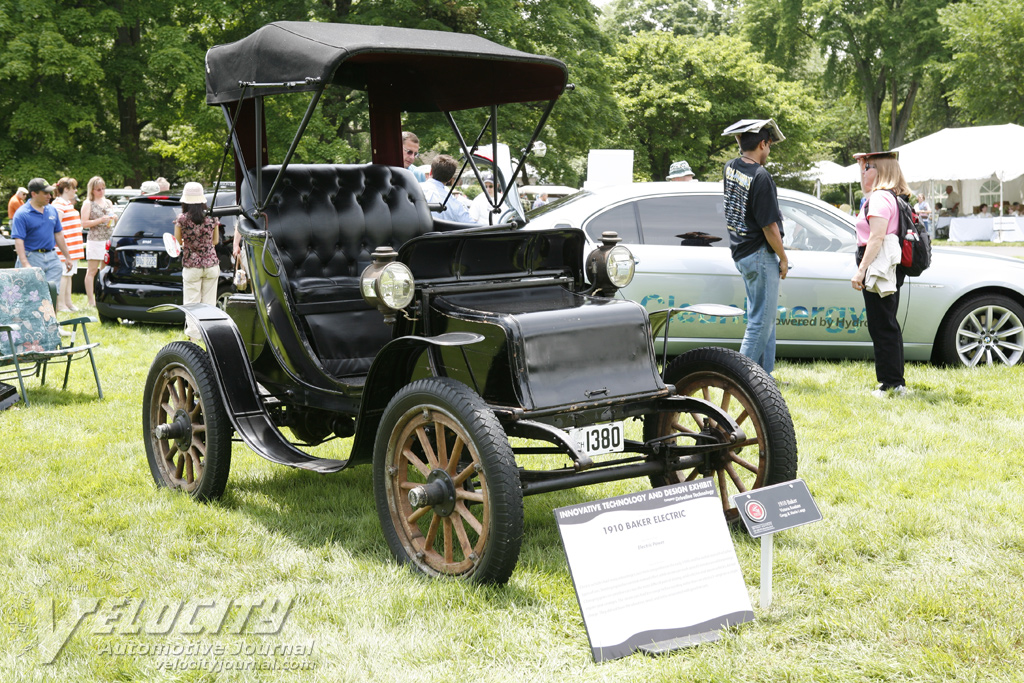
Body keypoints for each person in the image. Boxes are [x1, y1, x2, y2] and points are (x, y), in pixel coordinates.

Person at [721, 118, 789, 376]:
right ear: (762, 143)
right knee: (760, 323)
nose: (769, 151)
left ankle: (764, 378)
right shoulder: (761, 177)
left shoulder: (730, 168)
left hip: (741, 252)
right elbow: (769, 227)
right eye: (769, 146)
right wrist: (783, 257)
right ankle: (738, 380)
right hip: (760, 255)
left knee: (762, 318)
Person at [850, 150, 910, 398]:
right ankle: (894, 381)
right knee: (887, 323)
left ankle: (891, 384)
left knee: (882, 325)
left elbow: (875, 237)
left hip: (878, 264)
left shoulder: (879, 199)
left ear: (881, 170)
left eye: (868, 167)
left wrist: (861, 270)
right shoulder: (888, 196)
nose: (864, 171)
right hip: (886, 264)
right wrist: (863, 165)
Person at [174, 182, 220, 341]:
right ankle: (210, 338)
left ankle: (193, 340)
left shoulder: (181, 219)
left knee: (192, 305)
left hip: (191, 265)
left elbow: (178, 241)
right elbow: (215, 241)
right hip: (211, 264)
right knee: (209, 305)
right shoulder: (212, 217)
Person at [11, 178, 73, 286]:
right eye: (45, 193)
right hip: (32, 257)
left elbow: (58, 234)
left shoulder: (52, 210)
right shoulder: (22, 214)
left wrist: (67, 256)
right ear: (34, 194)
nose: (49, 196)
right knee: (31, 294)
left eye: (49, 193)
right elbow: (19, 241)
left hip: (52, 257)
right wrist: (25, 264)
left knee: (52, 293)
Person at [80, 176, 117, 307]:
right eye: (98, 189)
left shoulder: (108, 202)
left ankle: (101, 296)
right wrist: (100, 220)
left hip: (107, 238)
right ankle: (91, 300)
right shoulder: (88, 203)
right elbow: (84, 223)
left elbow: (113, 220)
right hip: (95, 239)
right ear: (92, 190)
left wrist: (114, 218)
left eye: (103, 189)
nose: (101, 191)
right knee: (92, 270)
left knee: (104, 270)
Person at [52, 178, 85, 312]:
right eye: (74, 188)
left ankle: (68, 303)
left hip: (73, 247)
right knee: (64, 275)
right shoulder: (58, 204)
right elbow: (56, 226)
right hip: (64, 247)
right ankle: (60, 305)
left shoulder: (67, 204)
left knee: (69, 275)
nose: (76, 191)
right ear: (66, 189)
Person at [420, 154, 479, 224]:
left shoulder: (413, 189)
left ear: (430, 172)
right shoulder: (455, 204)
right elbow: (472, 225)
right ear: (450, 179)